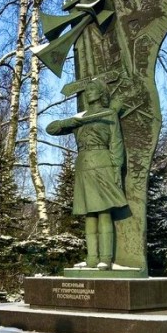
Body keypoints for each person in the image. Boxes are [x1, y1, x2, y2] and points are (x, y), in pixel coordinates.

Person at [46, 78, 127, 269]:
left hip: (103, 162)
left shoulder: (109, 114)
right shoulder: (79, 118)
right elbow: (51, 128)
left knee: (104, 211)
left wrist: (117, 168)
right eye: (87, 89)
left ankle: (105, 259)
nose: (89, 92)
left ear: (101, 93)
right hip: (83, 164)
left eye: (93, 89)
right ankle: (92, 258)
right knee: (89, 213)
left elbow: (116, 144)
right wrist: (72, 121)